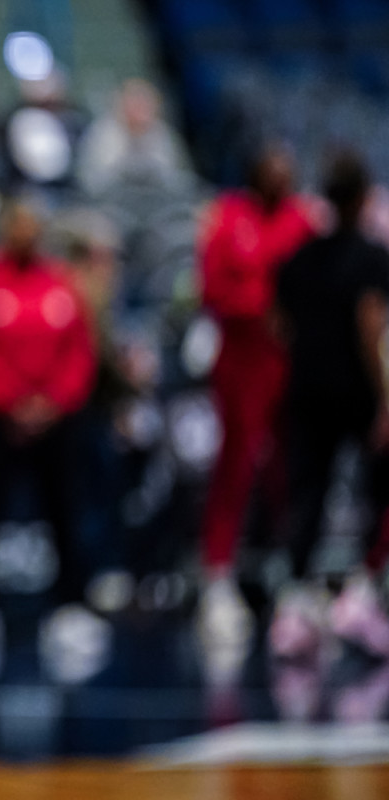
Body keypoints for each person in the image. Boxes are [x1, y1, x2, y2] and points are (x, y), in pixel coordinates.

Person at [0, 199, 103, 684]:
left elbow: (79, 349)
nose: (26, 233)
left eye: (34, 226)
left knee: (63, 512)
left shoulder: (60, 283)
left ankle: (70, 607)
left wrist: (51, 402)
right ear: (5, 230)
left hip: (54, 422)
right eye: (19, 225)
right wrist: (13, 401)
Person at [195, 145, 318, 651]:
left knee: (289, 473)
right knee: (235, 466)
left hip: (290, 364)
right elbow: (212, 287)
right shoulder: (226, 218)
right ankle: (218, 577)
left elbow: (318, 286)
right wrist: (262, 308)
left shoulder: (303, 221)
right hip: (241, 360)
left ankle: (289, 576)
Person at [273, 151, 389, 660]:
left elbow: (280, 324)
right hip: (355, 393)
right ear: (364, 199)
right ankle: (360, 600)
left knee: (308, 498)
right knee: (375, 494)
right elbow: (371, 327)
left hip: (306, 390)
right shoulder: (371, 257)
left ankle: (296, 608)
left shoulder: (298, 258)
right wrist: (385, 396)